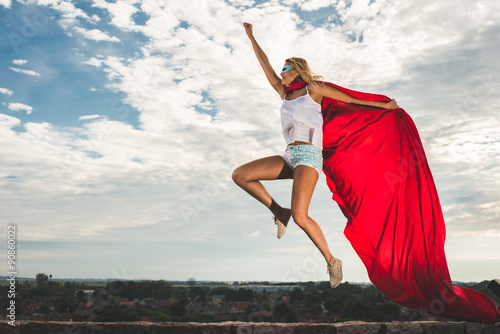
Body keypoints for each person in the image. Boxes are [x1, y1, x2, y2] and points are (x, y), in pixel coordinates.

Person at [231, 22, 398, 288]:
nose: (281, 73)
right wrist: (251, 37)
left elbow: (349, 99)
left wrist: (383, 105)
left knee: (301, 216)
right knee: (241, 175)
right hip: (289, 156)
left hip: (308, 157)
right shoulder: (284, 93)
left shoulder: (314, 90)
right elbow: (264, 65)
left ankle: (332, 261)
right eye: (281, 70)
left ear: (296, 70)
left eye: (285, 69)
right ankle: (278, 211)